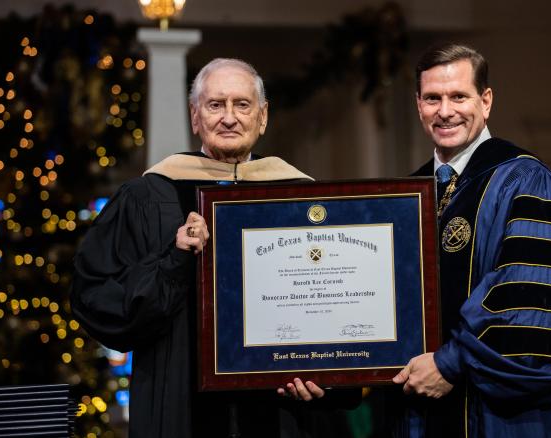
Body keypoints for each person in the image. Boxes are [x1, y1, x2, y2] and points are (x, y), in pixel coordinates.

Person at [71, 58, 351, 438]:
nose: (229, 117)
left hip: (285, 409)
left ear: (263, 116)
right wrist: (173, 258)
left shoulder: (303, 196)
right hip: (180, 405)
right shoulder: (148, 196)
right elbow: (94, 298)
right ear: (195, 116)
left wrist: (329, 376)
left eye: (242, 104)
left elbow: (337, 305)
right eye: (215, 105)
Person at [391, 43, 551, 437]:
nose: (445, 111)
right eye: (433, 98)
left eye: (458, 96)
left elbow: (534, 304)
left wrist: (450, 364)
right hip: (418, 410)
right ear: (418, 105)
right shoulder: (405, 197)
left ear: (486, 101)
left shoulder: (525, 180)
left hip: (501, 417)